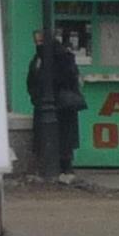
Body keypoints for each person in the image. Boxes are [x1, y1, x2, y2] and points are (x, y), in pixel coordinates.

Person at [26, 28, 86, 180]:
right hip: (43, 104)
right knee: (46, 139)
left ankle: (65, 168)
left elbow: (67, 77)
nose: (38, 44)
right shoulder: (38, 58)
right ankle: (51, 168)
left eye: (41, 41)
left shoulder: (62, 56)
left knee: (64, 139)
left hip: (62, 106)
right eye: (36, 41)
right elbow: (31, 79)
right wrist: (35, 96)